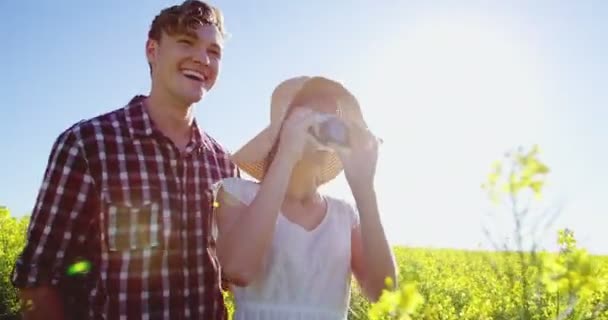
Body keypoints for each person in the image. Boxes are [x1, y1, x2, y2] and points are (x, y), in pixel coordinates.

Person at [11, 1, 238, 319]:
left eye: (214, 51)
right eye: (186, 42)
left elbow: (233, 275)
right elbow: (38, 278)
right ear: (152, 50)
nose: (202, 58)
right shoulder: (87, 144)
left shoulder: (224, 165)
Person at [212, 76, 397, 319]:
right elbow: (239, 269)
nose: (324, 130)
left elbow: (384, 294)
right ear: (282, 127)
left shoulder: (344, 215)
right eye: (312, 118)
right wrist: (287, 154)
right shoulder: (237, 193)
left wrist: (365, 191)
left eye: (334, 122)